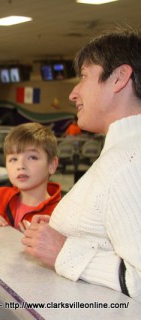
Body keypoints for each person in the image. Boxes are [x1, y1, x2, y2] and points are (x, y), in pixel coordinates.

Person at [21, 27, 141, 302]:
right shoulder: (124, 151)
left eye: (84, 77)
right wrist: (70, 225)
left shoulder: (131, 161)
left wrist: (64, 250)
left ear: (119, 78)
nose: (73, 93)